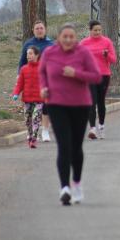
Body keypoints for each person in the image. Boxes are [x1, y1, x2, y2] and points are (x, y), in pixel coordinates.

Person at [39, 23, 101, 206]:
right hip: (56, 104)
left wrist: (76, 74)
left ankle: (77, 183)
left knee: (75, 147)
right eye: (64, 36)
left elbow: (96, 76)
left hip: (80, 105)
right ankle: (64, 188)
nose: (68, 40)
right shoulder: (50, 53)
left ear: (75, 38)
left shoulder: (83, 53)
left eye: (71, 37)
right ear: (58, 38)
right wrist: (43, 87)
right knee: (63, 146)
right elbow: (42, 72)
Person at [80, 20, 117, 140]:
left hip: (104, 75)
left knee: (101, 102)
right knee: (92, 101)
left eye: (99, 30)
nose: (97, 32)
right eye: (95, 30)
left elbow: (113, 60)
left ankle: (101, 126)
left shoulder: (107, 42)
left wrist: (106, 55)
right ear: (90, 30)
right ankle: (92, 129)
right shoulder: (84, 43)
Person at [19, 20, 54, 142]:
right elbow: (22, 62)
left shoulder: (51, 44)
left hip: (47, 79)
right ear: (33, 30)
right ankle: (33, 131)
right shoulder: (28, 44)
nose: (39, 30)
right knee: (32, 107)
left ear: (45, 29)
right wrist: (20, 77)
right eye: (37, 28)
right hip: (32, 81)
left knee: (45, 106)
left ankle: (45, 131)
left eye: (41, 28)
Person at [12, 46, 44, 149]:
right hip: (27, 100)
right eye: (27, 54)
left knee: (36, 119)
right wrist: (16, 93)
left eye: (30, 53)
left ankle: (34, 139)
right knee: (28, 120)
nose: (28, 56)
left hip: (39, 100)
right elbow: (19, 84)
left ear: (36, 55)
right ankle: (30, 136)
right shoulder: (24, 69)